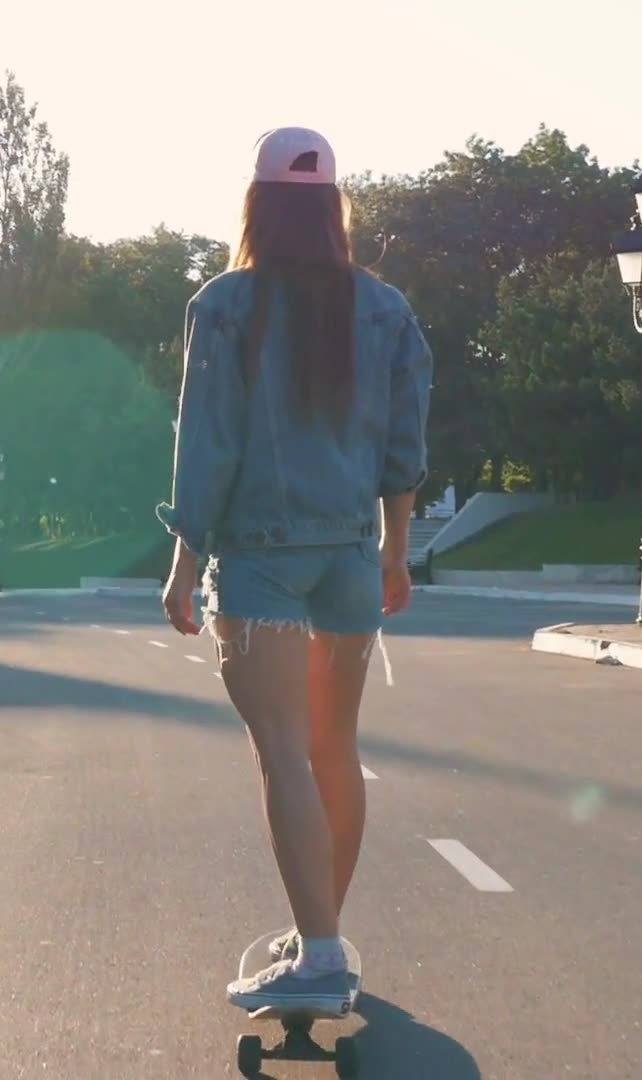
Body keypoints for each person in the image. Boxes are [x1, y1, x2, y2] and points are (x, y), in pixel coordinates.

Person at [154, 126, 434, 1013]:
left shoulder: (226, 304)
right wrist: (394, 550)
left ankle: (318, 957)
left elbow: (208, 443)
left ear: (258, 205)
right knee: (332, 749)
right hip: (351, 555)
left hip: (263, 565)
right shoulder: (385, 307)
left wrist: (182, 556)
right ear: (332, 208)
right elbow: (404, 445)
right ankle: (323, 938)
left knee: (283, 753)